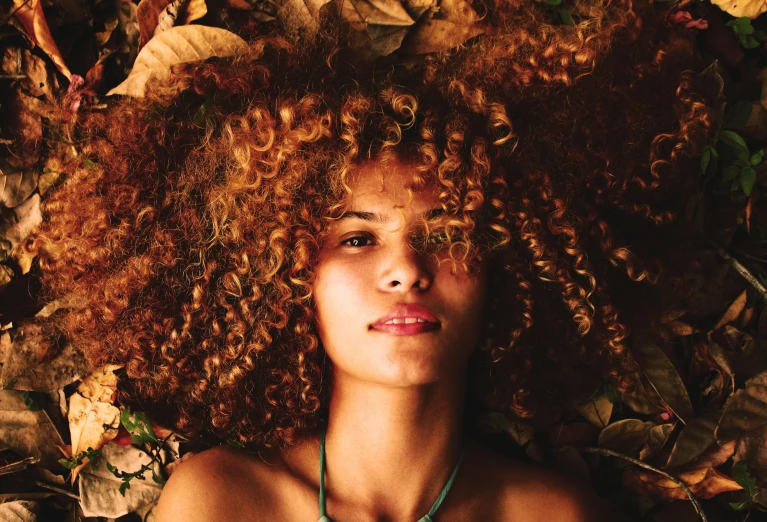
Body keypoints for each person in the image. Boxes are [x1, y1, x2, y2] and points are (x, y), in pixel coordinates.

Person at [16, 0, 714, 519]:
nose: (406, 269)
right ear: (288, 283)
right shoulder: (219, 501)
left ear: (512, 266)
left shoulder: (552, 514)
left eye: (445, 234)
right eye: (357, 238)